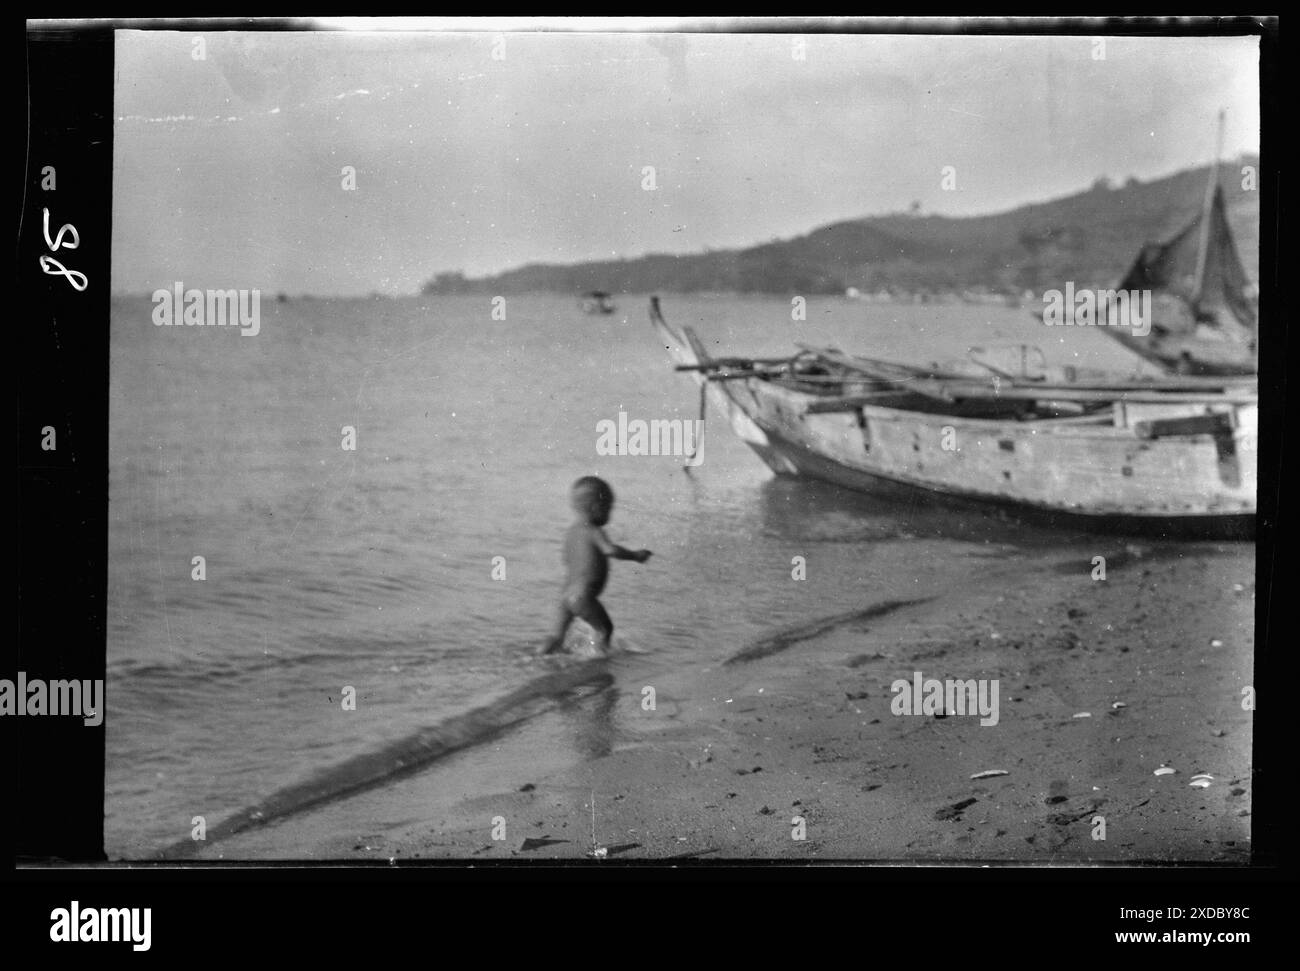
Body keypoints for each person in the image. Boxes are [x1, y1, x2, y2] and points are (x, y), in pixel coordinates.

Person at [538, 476, 651, 656]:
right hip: (583, 596)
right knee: (605, 629)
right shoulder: (594, 531)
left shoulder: (571, 533)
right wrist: (635, 555)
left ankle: (536, 656)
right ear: (596, 508)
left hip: (565, 595)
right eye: (608, 509)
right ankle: (598, 662)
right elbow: (610, 550)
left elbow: (568, 561)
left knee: (556, 636)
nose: (609, 515)